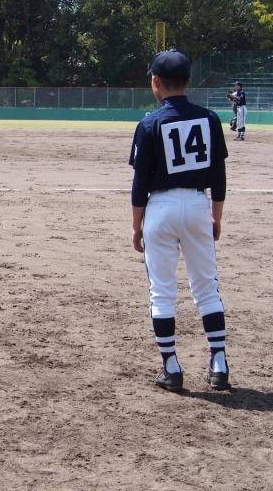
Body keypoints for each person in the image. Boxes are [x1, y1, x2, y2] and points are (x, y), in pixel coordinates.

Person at [129, 50, 230, 393]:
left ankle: (172, 368)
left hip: (160, 208)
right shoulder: (210, 119)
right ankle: (219, 363)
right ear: (188, 82)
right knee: (207, 287)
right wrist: (215, 216)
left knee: (162, 292)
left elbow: (140, 184)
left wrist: (136, 226)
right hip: (198, 204)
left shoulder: (149, 123)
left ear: (155, 82)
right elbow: (218, 176)